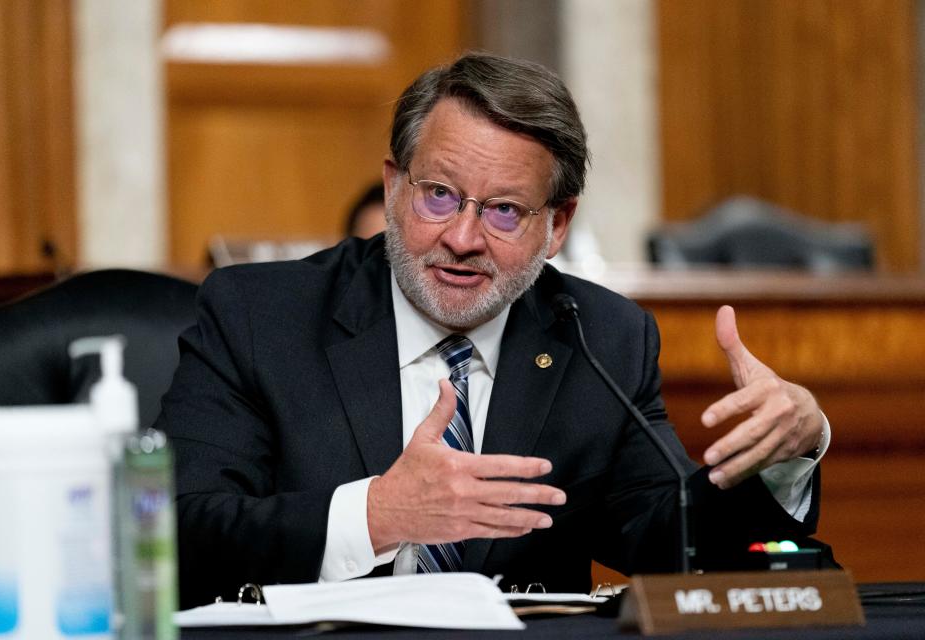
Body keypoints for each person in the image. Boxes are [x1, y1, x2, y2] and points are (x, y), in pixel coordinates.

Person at [156, 53, 829, 608]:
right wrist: (377, 515)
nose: (463, 238)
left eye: (505, 210)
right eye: (439, 195)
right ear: (395, 187)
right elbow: (175, 532)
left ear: (556, 225)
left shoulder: (598, 337)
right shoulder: (260, 316)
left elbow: (676, 542)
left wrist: (784, 458)